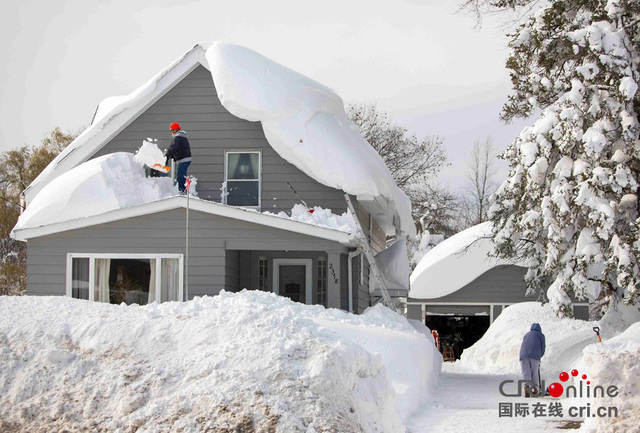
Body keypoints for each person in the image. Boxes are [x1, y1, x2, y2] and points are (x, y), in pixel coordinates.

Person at [519, 322, 546, 397]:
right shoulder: (541, 335)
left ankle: (527, 388)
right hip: (535, 355)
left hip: (523, 355)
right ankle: (535, 389)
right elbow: (543, 347)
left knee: (526, 372)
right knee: (534, 371)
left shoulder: (527, 334)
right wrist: (540, 356)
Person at [165, 122, 192, 193]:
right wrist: (171, 156)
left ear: (176, 130)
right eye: (171, 130)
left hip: (183, 160)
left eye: (172, 130)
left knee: (180, 176)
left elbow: (173, 147)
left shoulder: (178, 137)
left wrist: (167, 155)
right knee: (182, 175)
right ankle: (184, 190)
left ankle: (182, 191)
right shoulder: (182, 136)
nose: (172, 132)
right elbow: (178, 149)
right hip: (185, 159)